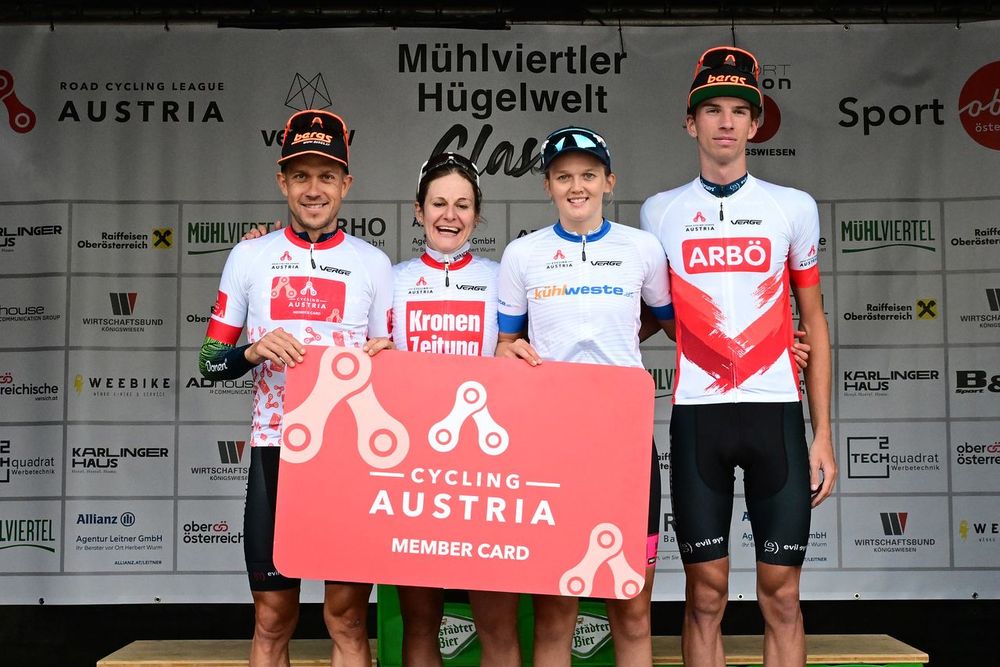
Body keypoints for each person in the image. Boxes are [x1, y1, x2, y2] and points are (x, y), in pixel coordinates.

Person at [242, 152, 521, 667]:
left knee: (497, 625)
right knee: (419, 622)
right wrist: (262, 248)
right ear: (418, 210)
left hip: (483, 468)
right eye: (438, 203)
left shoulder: (503, 277)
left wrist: (515, 350)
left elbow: (527, 349)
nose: (449, 215)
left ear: (478, 216)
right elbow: (370, 354)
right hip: (412, 466)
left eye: (462, 205)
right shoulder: (390, 277)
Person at [639, 45, 837, 667]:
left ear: (755, 124)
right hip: (700, 416)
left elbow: (815, 323)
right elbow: (653, 316)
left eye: (738, 110)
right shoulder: (659, 212)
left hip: (775, 411)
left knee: (781, 596)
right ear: (690, 122)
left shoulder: (793, 207)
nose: (725, 121)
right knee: (705, 596)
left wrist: (824, 433)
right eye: (711, 109)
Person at [199, 108, 393, 667]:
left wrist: (384, 360)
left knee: (349, 621)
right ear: (282, 181)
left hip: (349, 457)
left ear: (346, 184)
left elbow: (391, 366)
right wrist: (254, 351)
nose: (314, 189)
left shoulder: (373, 265)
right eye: (301, 175)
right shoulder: (249, 256)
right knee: (271, 621)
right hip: (274, 452)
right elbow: (211, 362)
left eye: (327, 176)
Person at [496, 126, 675, 667]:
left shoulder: (642, 248)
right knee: (556, 609)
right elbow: (506, 344)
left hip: (624, 440)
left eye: (589, 175)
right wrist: (510, 354)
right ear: (548, 185)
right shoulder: (522, 254)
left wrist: (775, 350)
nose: (578, 186)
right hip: (551, 442)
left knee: (632, 604)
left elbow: (676, 325)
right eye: (564, 176)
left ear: (609, 182)